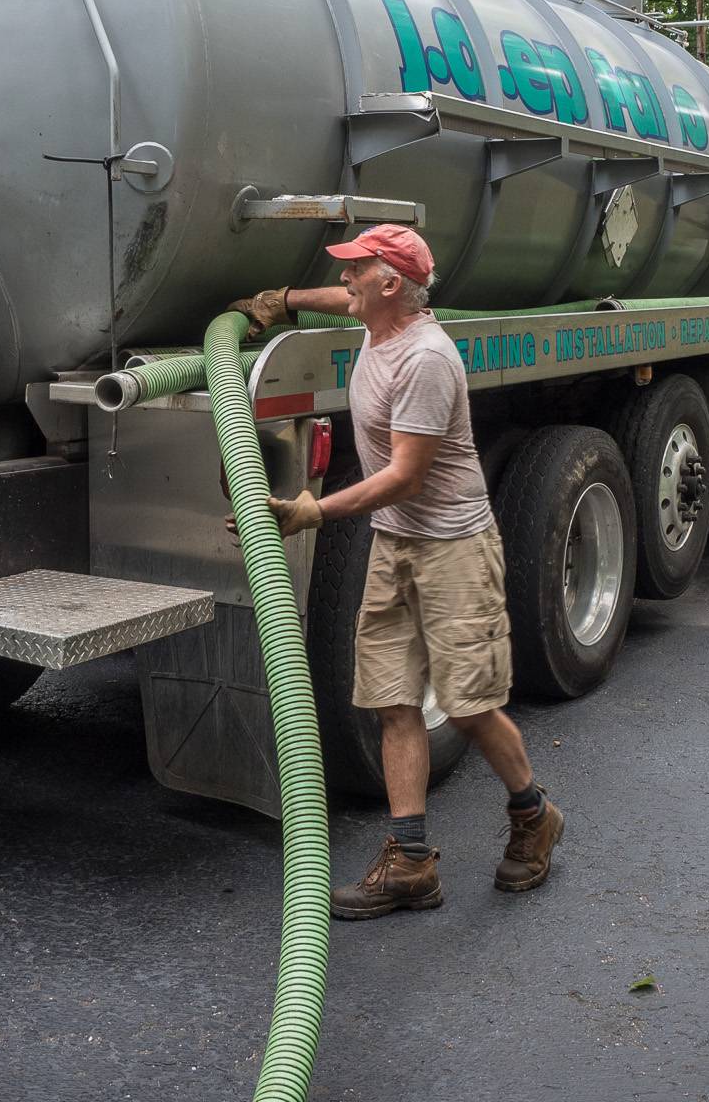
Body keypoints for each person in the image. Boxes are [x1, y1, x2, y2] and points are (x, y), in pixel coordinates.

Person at [232, 224, 564, 919]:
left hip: (453, 549)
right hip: (393, 545)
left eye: (357, 270)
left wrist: (311, 511)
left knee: (470, 706)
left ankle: (534, 815)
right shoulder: (377, 323)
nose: (344, 279)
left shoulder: (426, 360)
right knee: (391, 700)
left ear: (391, 286)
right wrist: (280, 299)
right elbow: (338, 297)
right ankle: (411, 861)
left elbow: (406, 477)